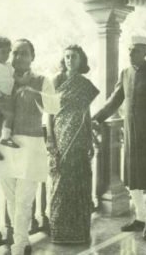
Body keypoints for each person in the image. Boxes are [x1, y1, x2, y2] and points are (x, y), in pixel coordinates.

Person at [92, 36, 146, 241]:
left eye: (135, 50)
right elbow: (114, 100)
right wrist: (95, 118)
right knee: (133, 180)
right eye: (129, 50)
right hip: (132, 136)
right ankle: (139, 219)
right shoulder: (125, 73)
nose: (130, 53)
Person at [0, 38, 59, 255]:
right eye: (15, 53)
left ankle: (18, 247)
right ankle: (23, 241)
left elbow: (54, 106)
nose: (18, 57)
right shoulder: (3, 79)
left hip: (30, 146)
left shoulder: (42, 80)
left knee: (24, 200)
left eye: (24, 53)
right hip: (5, 145)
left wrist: (34, 93)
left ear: (32, 57)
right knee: (11, 199)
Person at [47, 45, 99, 244]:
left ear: (81, 60)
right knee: (61, 183)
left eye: (74, 57)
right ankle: (59, 233)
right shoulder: (55, 81)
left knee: (80, 183)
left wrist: (90, 140)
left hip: (80, 140)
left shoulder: (85, 85)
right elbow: (49, 114)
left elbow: (86, 114)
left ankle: (79, 233)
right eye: (67, 57)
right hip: (60, 137)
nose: (69, 60)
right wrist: (50, 140)